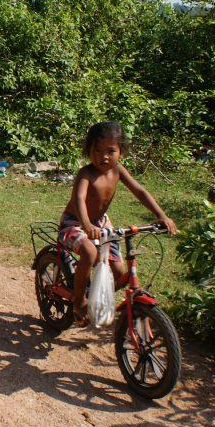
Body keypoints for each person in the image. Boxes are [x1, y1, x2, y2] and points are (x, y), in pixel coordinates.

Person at [59, 121, 177, 326]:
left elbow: (140, 191)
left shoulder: (118, 171)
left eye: (110, 151)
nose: (103, 156)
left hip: (101, 223)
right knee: (89, 252)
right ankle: (79, 303)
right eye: (97, 150)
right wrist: (86, 224)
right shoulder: (85, 174)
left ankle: (95, 295)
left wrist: (161, 215)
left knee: (120, 272)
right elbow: (79, 200)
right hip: (74, 222)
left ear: (121, 151)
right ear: (89, 151)